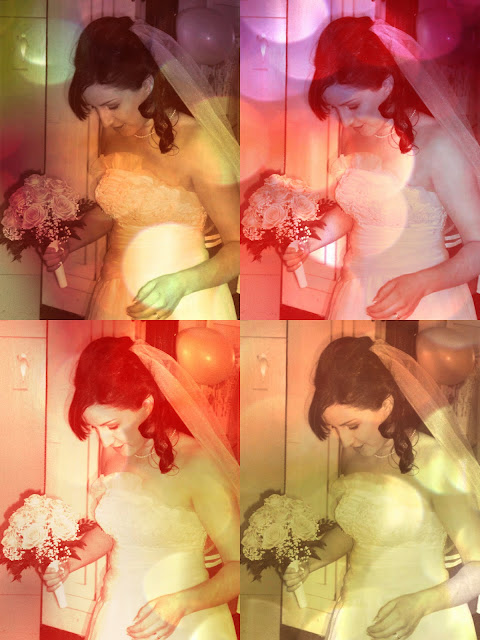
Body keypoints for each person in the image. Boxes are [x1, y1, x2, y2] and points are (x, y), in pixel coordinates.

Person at [283, 335, 480, 640]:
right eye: (334, 428)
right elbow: (357, 529)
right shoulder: (354, 456)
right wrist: (311, 562)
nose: (345, 441)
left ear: (387, 405)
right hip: (356, 615)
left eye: (351, 425)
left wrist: (421, 605)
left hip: (425, 621)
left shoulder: (435, 460)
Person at [42, 336, 239, 640]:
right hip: (117, 613)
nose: (105, 441)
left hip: (184, 622)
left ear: (147, 405)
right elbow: (117, 528)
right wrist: (69, 562)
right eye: (94, 428)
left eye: (111, 426)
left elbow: (240, 567)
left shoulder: (198, 464)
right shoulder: (114, 454)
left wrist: (181, 604)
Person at [283, 16, 480, 320]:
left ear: (387, 85)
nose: (345, 121)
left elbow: (477, 245)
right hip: (355, 293)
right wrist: (311, 240)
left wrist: (422, 283)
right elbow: (359, 210)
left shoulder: (440, 145)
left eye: (352, 106)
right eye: (334, 109)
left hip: (424, 300)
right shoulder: (354, 133)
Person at [43, 17, 239, 320]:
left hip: (183, 299)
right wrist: (68, 243)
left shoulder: (199, 143)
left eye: (111, 105)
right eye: (94, 108)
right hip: (114, 294)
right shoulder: (114, 132)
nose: (104, 120)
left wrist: (182, 284)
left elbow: (239, 247)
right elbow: (115, 210)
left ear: (147, 86)